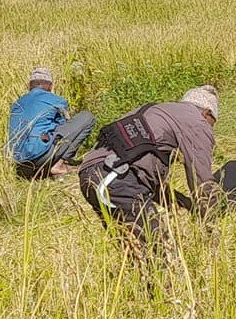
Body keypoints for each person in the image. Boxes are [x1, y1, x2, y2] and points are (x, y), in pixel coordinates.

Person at [78, 85, 222, 246]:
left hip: (92, 176)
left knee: (136, 252)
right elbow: (202, 182)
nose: (210, 128)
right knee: (158, 251)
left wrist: (184, 203)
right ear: (207, 113)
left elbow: (141, 175)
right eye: (212, 123)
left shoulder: (155, 111)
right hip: (115, 180)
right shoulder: (197, 122)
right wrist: (211, 224)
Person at [7, 67, 95, 179]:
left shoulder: (17, 103)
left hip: (19, 163)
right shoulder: (56, 100)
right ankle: (59, 165)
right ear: (50, 86)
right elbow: (64, 126)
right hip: (39, 155)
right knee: (87, 117)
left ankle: (39, 171)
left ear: (29, 86)